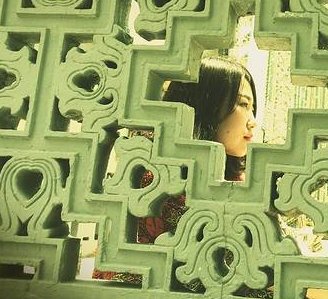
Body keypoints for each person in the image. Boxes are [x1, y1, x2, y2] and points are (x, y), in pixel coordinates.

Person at [93, 56, 258, 285]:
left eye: (252, 108)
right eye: (243, 104)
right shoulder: (157, 176)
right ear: (205, 103)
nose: (253, 121)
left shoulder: (225, 176)